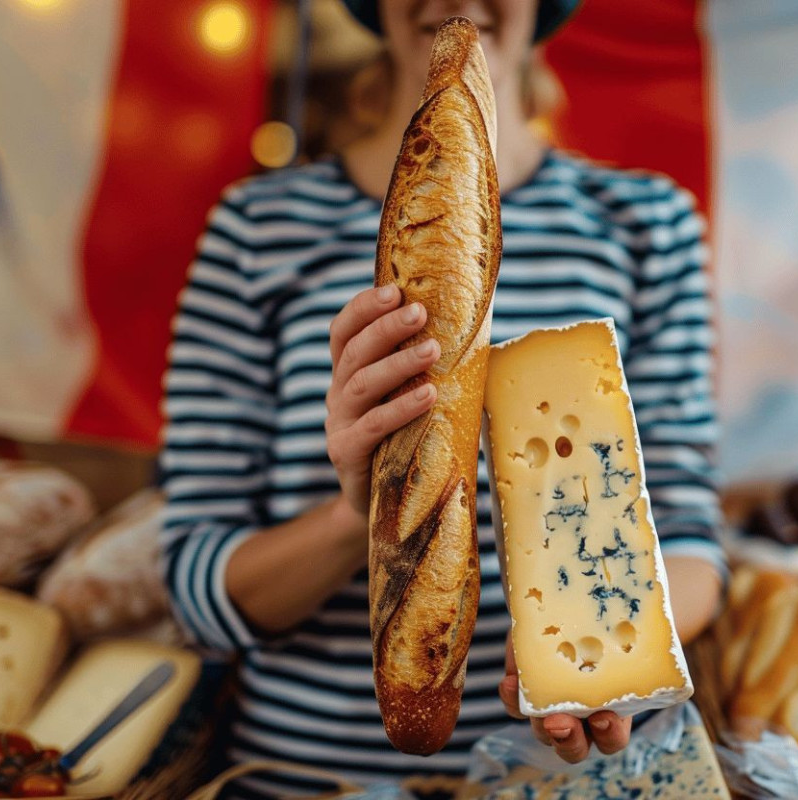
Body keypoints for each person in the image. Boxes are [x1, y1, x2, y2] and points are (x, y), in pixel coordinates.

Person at [158, 1, 725, 795]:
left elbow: (692, 538)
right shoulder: (257, 226)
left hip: (563, 784)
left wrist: (593, 648)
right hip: (298, 777)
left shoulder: (648, 223)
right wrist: (358, 512)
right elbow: (194, 583)